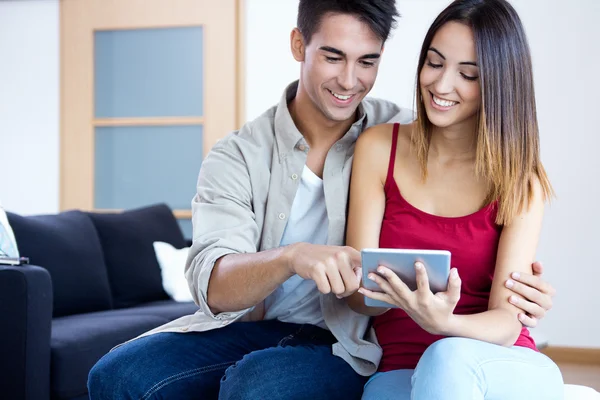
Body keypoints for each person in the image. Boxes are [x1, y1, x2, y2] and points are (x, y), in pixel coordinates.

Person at [88, 1, 557, 399]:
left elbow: (469, 157)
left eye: (367, 61)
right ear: (299, 46)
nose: (349, 80)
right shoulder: (241, 155)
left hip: (344, 341)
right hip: (258, 324)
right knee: (116, 376)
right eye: (333, 57)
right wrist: (293, 258)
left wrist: (520, 299)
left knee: (258, 385)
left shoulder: (396, 135)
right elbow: (211, 284)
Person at [345, 0, 564, 399]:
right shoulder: (378, 148)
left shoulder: (519, 179)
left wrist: (442, 323)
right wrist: (371, 289)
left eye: (468, 74)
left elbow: (506, 322)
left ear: (499, 84)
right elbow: (362, 300)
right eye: (434, 63)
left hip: (497, 364)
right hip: (402, 370)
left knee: (445, 359)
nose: (442, 86)